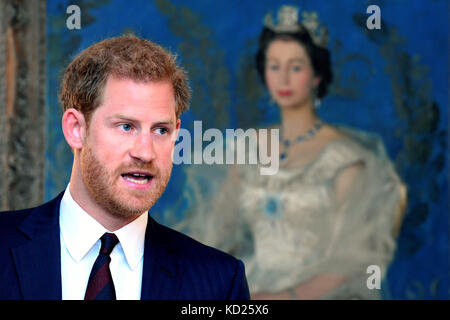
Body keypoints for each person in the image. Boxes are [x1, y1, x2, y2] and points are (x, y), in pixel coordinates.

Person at [0, 35, 250, 300]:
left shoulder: (219, 283)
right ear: (76, 129)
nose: (145, 152)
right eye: (126, 127)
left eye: (161, 130)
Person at [184, 6, 406, 300]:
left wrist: (285, 297)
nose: (283, 78)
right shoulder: (248, 147)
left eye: (296, 67)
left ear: (316, 76)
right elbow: (218, 232)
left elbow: (352, 262)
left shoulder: (346, 159)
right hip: (248, 287)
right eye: (274, 66)